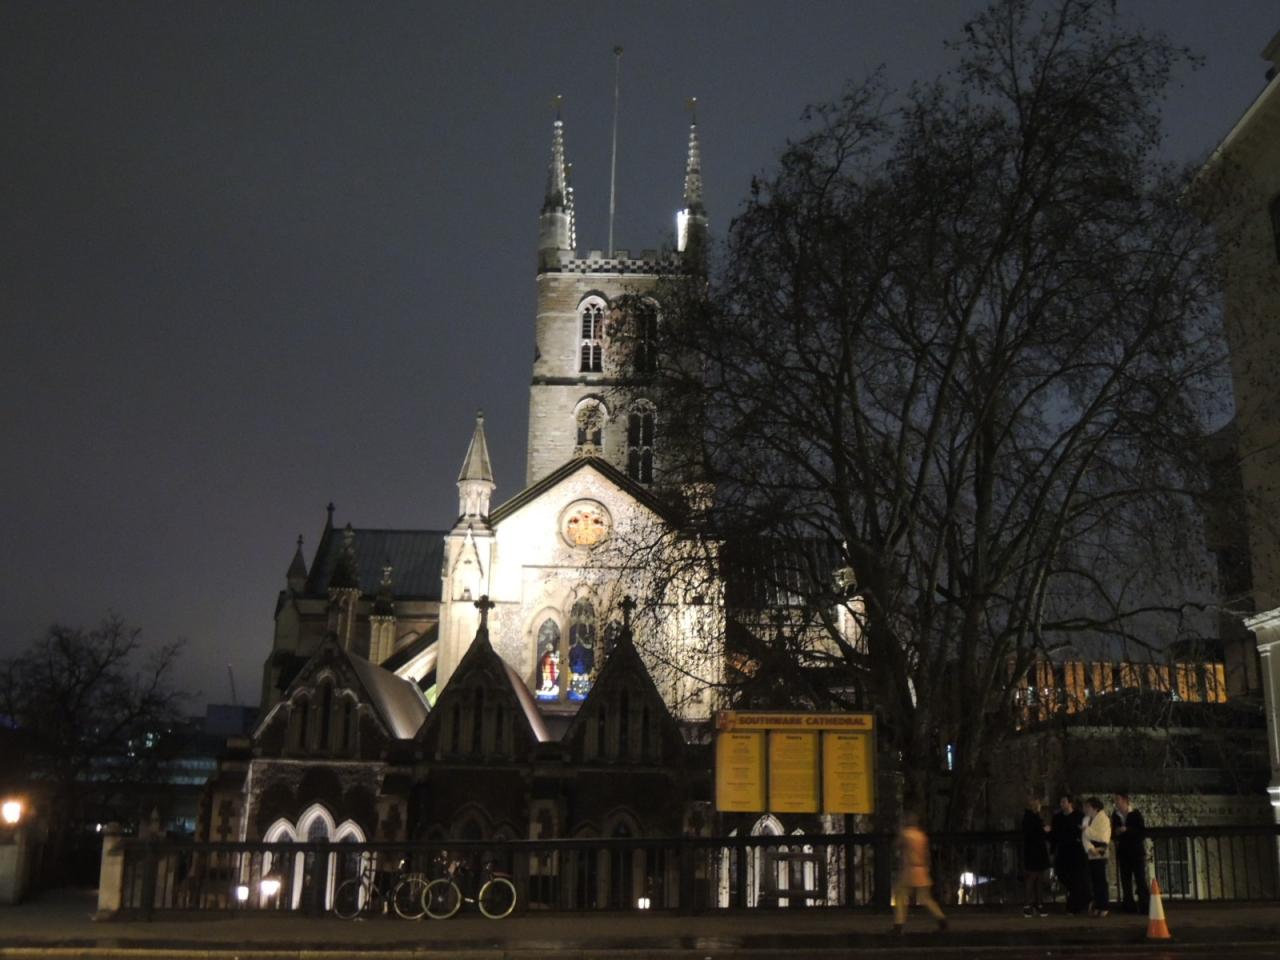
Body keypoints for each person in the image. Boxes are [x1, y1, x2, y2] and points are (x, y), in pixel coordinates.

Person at [892, 811, 947, 934]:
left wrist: (899, 830)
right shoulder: (922, 836)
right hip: (921, 869)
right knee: (925, 898)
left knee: (900, 895)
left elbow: (896, 845)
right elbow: (927, 855)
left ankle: (898, 924)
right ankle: (941, 919)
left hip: (909, 870)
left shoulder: (905, 834)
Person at [1050, 795, 1088, 914]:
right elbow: (1054, 836)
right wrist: (1052, 850)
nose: (1062, 804)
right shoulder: (1057, 818)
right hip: (1063, 851)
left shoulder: (1079, 816)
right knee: (1062, 874)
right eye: (1061, 802)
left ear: (1070, 803)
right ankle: (1078, 901)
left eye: (1064, 802)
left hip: (1076, 851)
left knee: (1076, 877)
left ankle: (1074, 906)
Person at [1113, 793, 1148, 914]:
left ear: (1125, 801)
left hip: (1136, 851)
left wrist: (1127, 830)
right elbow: (1113, 831)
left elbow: (1141, 832)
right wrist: (1117, 832)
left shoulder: (1135, 814)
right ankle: (1129, 905)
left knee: (1140, 879)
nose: (1116, 802)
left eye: (1118, 800)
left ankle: (1144, 905)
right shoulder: (1116, 815)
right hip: (1123, 851)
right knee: (1125, 880)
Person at [1080, 796, 1112, 917]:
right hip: (1091, 852)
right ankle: (1097, 905)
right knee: (1093, 881)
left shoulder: (1103, 819)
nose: (1086, 809)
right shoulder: (1086, 819)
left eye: (1088, 807)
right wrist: (1089, 848)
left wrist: (1087, 831)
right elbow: (1084, 837)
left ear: (1095, 807)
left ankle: (1103, 906)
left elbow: (1102, 837)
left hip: (1100, 851)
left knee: (1100, 880)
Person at [1021, 795, 1051, 917]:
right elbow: (1032, 833)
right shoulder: (1030, 818)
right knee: (1033, 877)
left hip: (1036, 851)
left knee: (1038, 878)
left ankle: (1037, 904)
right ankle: (1030, 904)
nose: (1039, 806)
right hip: (1034, 851)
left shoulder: (1033, 817)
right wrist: (1043, 831)